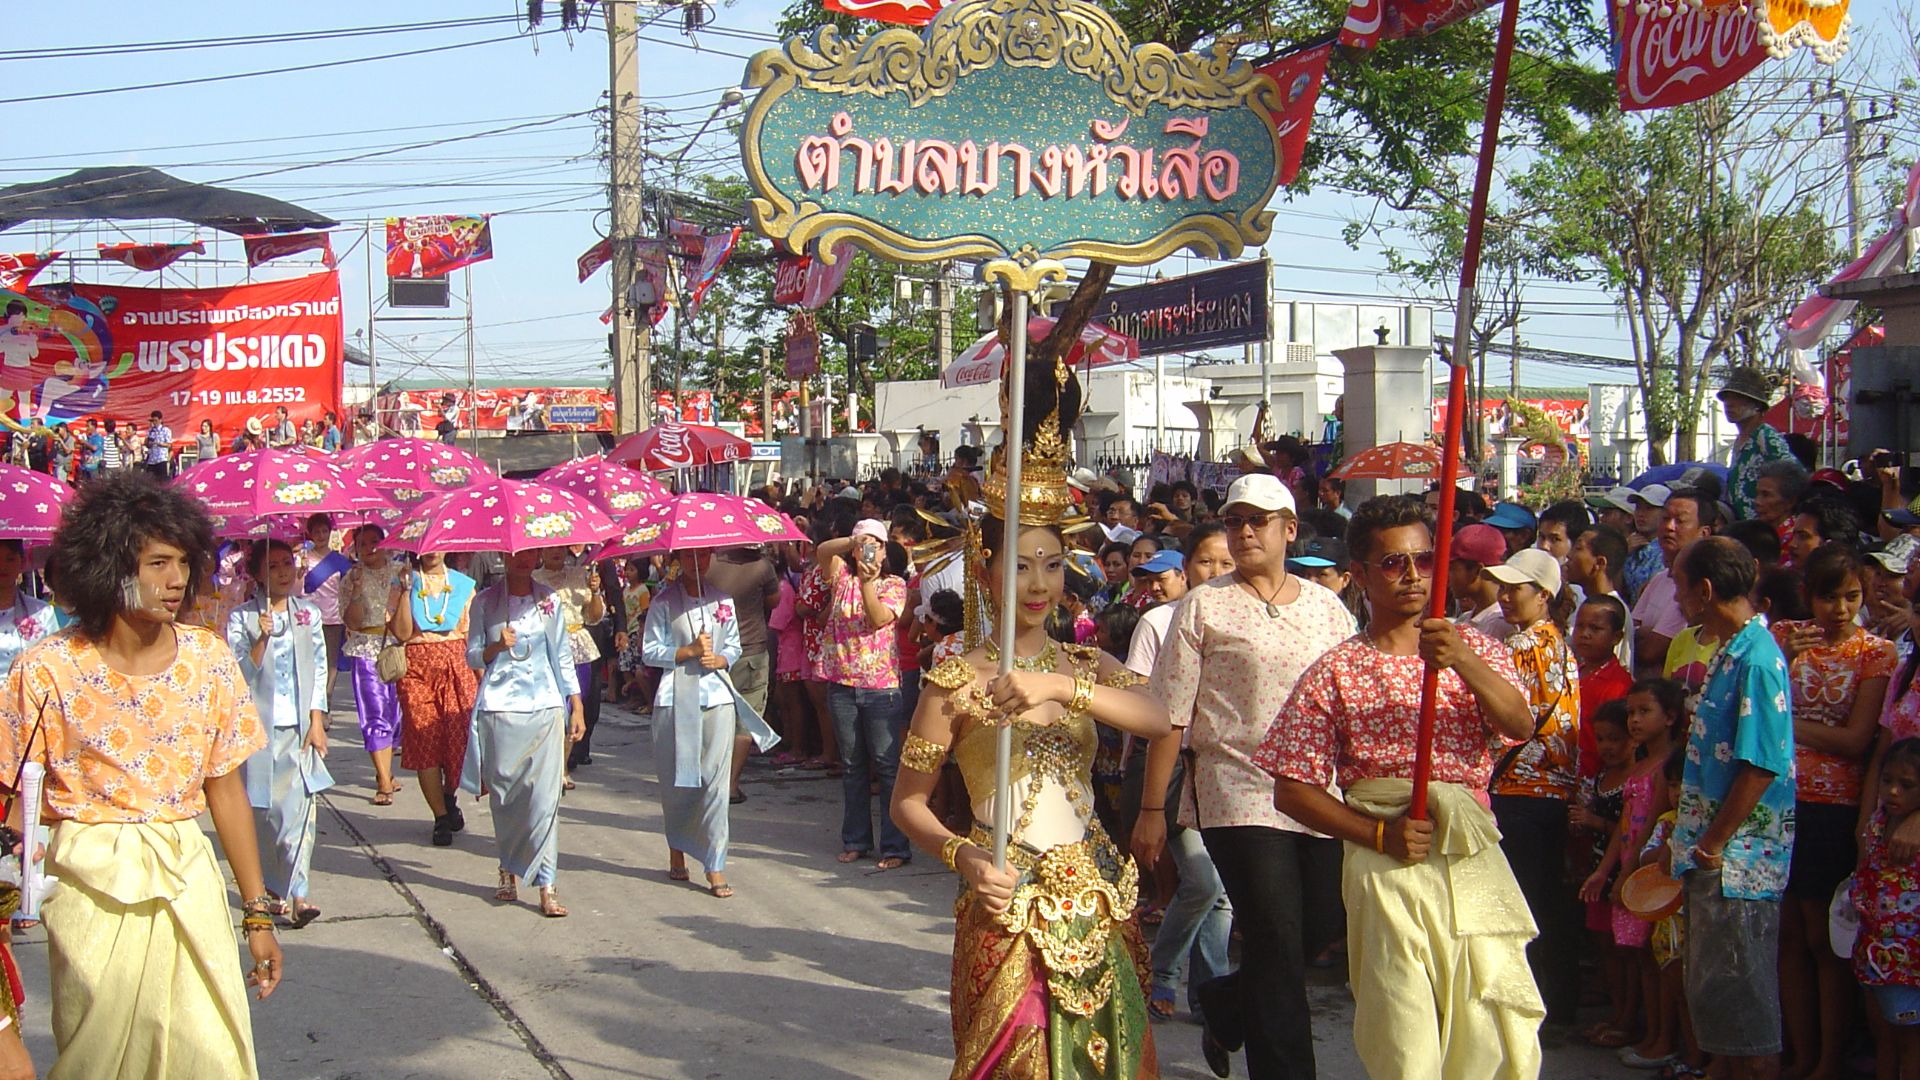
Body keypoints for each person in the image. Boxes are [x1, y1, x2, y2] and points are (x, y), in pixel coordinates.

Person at [888, 354, 1171, 1078]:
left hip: (1098, 894)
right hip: (1007, 900)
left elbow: (1158, 719)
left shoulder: (1085, 666)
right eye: (1019, 564)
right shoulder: (951, 682)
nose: (1039, 582)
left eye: (1051, 563)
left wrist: (1059, 694)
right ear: (984, 570)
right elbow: (909, 805)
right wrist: (967, 857)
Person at [0, 473, 282, 1078]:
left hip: (188, 877)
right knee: (99, 1060)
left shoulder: (209, 660)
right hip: (87, 888)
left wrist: (256, 913)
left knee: (211, 1054)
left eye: (182, 562)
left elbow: (225, 790)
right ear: (108, 566)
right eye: (157, 563)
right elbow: (7, 796)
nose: (175, 579)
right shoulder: (45, 671)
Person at [1259, 495, 1541, 1080]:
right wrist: (1377, 832)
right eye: (1392, 563)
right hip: (1385, 863)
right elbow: (1292, 789)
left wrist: (1461, 659)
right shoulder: (1335, 670)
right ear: (1359, 574)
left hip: (1470, 854)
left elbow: (1519, 725)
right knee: (1404, 1026)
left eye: (1424, 560)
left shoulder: (1479, 648)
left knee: (1488, 1020)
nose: (1412, 576)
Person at [1146, 472, 1358, 1080]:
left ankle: (1225, 1000)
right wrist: (1153, 810)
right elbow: (1170, 715)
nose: (1242, 532)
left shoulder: (1326, 608)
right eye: (1234, 519)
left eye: (1256, 520)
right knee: (1274, 930)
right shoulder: (1203, 606)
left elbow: (1349, 700)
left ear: (1289, 529)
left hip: (1318, 791)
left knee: (1312, 928)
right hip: (1234, 788)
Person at [1666, 536, 1795, 1080]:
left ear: (1705, 591)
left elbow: (1761, 765)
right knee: (1720, 1006)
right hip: (1713, 857)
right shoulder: (1730, 649)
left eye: (1679, 586)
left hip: (1738, 864)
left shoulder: (1759, 660)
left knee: (1747, 1015)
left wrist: (1714, 843)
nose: (1674, 597)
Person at [1772, 544, 1894, 1080]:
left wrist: (1786, 724)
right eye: (1828, 597)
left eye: (1851, 597)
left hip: (1835, 807)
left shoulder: (1876, 654)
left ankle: (1827, 1059)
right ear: (1809, 596)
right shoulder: (1782, 639)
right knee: (1789, 938)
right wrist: (1783, 660)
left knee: (1824, 941)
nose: (1839, 610)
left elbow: (1857, 738)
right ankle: (1798, 1054)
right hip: (1777, 800)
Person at [1124, 524, 1235, 1024]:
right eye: (1206, 562)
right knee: (1204, 881)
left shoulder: (1247, 617)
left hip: (1230, 773)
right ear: (1186, 567)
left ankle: (1210, 991)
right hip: (1175, 768)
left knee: (1222, 894)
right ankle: (1164, 973)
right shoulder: (1160, 621)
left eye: (1226, 564)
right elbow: (1145, 702)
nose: (1215, 573)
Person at [642, 547, 778, 899]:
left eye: (702, 556)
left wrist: (721, 657)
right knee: (677, 782)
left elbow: (733, 645)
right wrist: (684, 652)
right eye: (688, 556)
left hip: (716, 698)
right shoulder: (664, 602)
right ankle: (677, 846)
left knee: (714, 786)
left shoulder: (722, 601)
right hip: (675, 700)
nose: (696, 562)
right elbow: (650, 650)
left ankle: (715, 862)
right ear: (677, 560)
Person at [1483, 547, 1583, 1024]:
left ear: (1543, 595)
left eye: (1514, 589)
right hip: (1551, 791)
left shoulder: (1525, 648)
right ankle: (1554, 1001)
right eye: (1501, 587)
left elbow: (1505, 722)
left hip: (1520, 789)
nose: (1504, 597)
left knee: (1521, 903)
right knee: (1544, 900)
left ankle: (1530, 1005)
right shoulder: (1559, 644)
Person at [464, 549, 585, 917]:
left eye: (530, 553)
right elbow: (471, 655)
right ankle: (508, 865)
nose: (523, 559)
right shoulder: (484, 602)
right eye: (516, 554)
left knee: (544, 798)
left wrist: (575, 702)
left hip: (545, 703)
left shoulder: (548, 601)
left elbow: (561, 655)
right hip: (500, 706)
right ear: (504, 554)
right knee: (507, 795)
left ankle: (547, 883)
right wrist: (497, 646)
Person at [228, 540, 334, 929]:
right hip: (259, 729)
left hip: (300, 728)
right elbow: (239, 675)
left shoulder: (308, 614)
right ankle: (274, 888)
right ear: (257, 574)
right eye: (273, 566)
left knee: (300, 812)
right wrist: (261, 638)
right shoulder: (241, 618)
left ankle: (301, 895)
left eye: (287, 564)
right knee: (267, 815)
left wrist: (317, 719)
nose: (283, 572)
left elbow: (319, 667)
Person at [815, 519, 912, 868]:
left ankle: (895, 845)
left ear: (885, 551)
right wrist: (852, 541)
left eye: (876, 545)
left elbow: (877, 618)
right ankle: (856, 839)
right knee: (853, 766)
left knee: (887, 767)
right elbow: (822, 552)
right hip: (842, 683)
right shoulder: (842, 576)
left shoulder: (894, 584)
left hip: (881, 688)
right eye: (863, 546)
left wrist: (870, 582)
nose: (868, 551)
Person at [388, 550, 479, 847]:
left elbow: (471, 635)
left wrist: (481, 679)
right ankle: (439, 815)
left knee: (457, 741)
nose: (431, 553)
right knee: (424, 738)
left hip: (456, 662)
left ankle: (449, 794)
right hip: (415, 665)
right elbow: (401, 633)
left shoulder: (464, 585)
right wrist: (404, 592)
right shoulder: (403, 581)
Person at [1852, 737, 1920, 1074]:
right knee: (1883, 1037)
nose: (1893, 791)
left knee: (1910, 1041)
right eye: (1887, 781)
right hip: (1873, 953)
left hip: (1910, 964)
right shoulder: (1878, 822)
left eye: (1906, 785)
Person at [704, 545, 780, 803]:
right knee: (745, 721)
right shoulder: (763, 567)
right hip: (751, 651)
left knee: (713, 714)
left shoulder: (709, 562)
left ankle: (710, 778)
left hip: (714, 651)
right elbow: (774, 601)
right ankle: (731, 784)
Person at [341, 525, 404, 804]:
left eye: (375, 541)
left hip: (397, 648)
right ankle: (383, 780)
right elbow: (352, 622)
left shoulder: (401, 572)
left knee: (396, 714)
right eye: (363, 543)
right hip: (366, 648)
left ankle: (387, 772)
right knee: (375, 713)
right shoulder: (350, 577)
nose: (370, 547)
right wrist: (355, 591)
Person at [533, 547, 606, 777]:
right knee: (554, 707)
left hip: (578, 647)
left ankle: (563, 766)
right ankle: (548, 762)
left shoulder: (579, 575)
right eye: (550, 548)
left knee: (575, 706)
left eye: (560, 549)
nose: (556, 553)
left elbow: (593, 617)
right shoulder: (534, 579)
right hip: (546, 648)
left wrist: (594, 592)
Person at [1634, 484, 1718, 675]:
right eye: (1665, 519)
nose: (1669, 527)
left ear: (1704, 533)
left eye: (1680, 521)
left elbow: (1650, 651)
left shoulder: (1697, 588)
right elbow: (1628, 633)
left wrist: (1646, 633)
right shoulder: (1659, 579)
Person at [1721, 368, 1796, 523]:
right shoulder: (1740, 441)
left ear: (1757, 405)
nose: (1729, 404)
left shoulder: (1765, 436)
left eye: (1738, 398)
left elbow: (1793, 476)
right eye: (1726, 398)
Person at [301, 513, 352, 696]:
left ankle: (326, 704)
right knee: (309, 661)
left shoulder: (340, 561)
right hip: (306, 617)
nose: (321, 535)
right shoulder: (302, 559)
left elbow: (347, 591)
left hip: (332, 618)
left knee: (330, 662)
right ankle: (310, 705)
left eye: (324, 531)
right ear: (310, 533)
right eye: (317, 532)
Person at [1451, 523, 1516, 642]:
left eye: (1452, 568)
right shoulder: (1466, 618)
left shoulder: (1500, 624)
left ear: (1477, 570)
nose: (1447, 576)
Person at [0, 539, 52, 676]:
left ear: (22, 562)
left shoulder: (42, 613)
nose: (2, 566)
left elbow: (54, 660)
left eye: (10, 559)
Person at [142, 409, 172, 478]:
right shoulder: (150, 430)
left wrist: (159, 443)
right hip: (152, 459)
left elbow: (169, 444)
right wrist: (148, 442)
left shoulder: (166, 430)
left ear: (160, 420)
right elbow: (147, 444)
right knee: (150, 480)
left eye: (156, 420)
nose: (154, 422)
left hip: (161, 459)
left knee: (162, 480)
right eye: (153, 420)